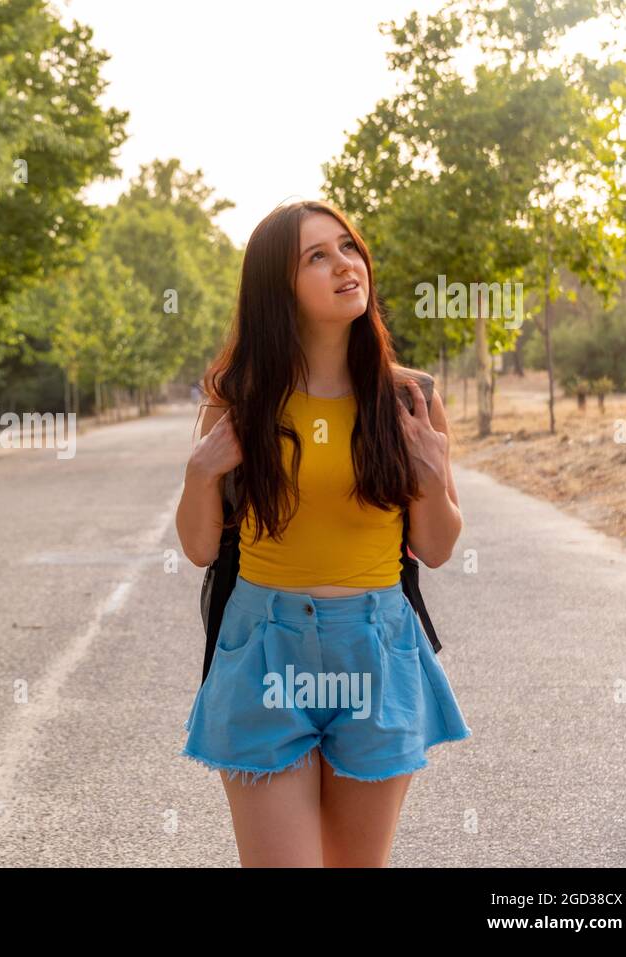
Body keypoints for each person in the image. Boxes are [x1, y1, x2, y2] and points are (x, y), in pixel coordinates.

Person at [175, 199, 471, 867]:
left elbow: (439, 545)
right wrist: (199, 473)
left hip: (376, 646)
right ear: (278, 289)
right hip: (265, 648)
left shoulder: (409, 397)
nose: (346, 265)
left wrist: (432, 470)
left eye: (348, 247)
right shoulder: (240, 397)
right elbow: (199, 547)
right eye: (317, 256)